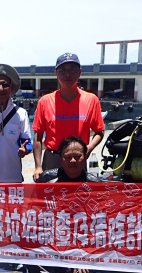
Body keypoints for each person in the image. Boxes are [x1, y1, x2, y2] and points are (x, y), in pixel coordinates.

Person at [21, 136, 96, 273]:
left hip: (81, 241)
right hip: (52, 234)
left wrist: (81, 259)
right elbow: (33, 210)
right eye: (68, 157)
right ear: (61, 159)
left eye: (78, 156)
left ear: (85, 156)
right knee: (24, 228)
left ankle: (66, 269)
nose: (73, 161)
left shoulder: (96, 183)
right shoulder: (47, 178)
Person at [32, 52, 105, 182]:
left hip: (77, 159)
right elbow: (38, 137)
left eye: (72, 70)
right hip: (53, 158)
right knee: (49, 199)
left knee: (78, 198)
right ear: (56, 73)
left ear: (80, 72)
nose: (67, 74)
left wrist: (88, 148)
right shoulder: (45, 101)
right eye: (63, 70)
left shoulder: (91, 100)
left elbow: (99, 131)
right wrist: (38, 166)